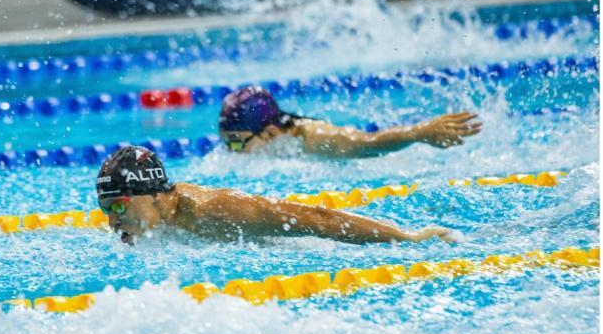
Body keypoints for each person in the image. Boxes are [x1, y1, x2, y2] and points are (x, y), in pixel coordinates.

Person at [96, 146, 456, 245]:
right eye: (105, 209)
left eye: (118, 206)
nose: (112, 221)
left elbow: (318, 220)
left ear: (154, 195)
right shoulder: (141, 231)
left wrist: (406, 238)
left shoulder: (219, 209)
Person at [219, 86, 482, 156]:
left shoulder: (316, 137)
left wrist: (419, 132)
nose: (231, 151)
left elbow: (367, 142)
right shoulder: (276, 145)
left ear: (271, 132)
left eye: (236, 143)